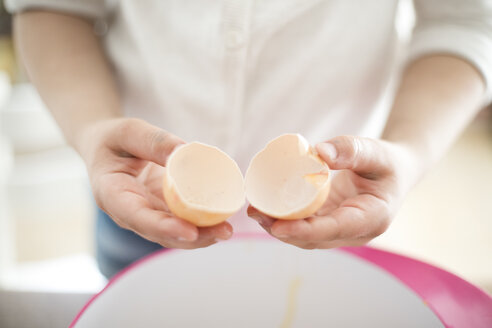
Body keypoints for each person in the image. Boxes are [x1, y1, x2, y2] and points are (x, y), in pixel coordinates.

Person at [6, 0, 492, 278]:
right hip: (141, 204)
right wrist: (92, 129)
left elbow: (465, 18)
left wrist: (408, 152)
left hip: (334, 218)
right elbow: (53, 5)